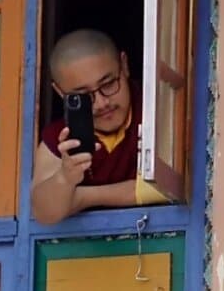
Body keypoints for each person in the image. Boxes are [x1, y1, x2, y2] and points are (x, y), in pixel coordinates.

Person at [31, 28, 142, 225]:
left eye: (108, 84)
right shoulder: (62, 138)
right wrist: (65, 178)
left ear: (124, 65)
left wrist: (82, 197)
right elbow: (44, 213)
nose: (101, 104)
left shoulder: (157, 108)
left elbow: (170, 188)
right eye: (82, 96)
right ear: (60, 92)